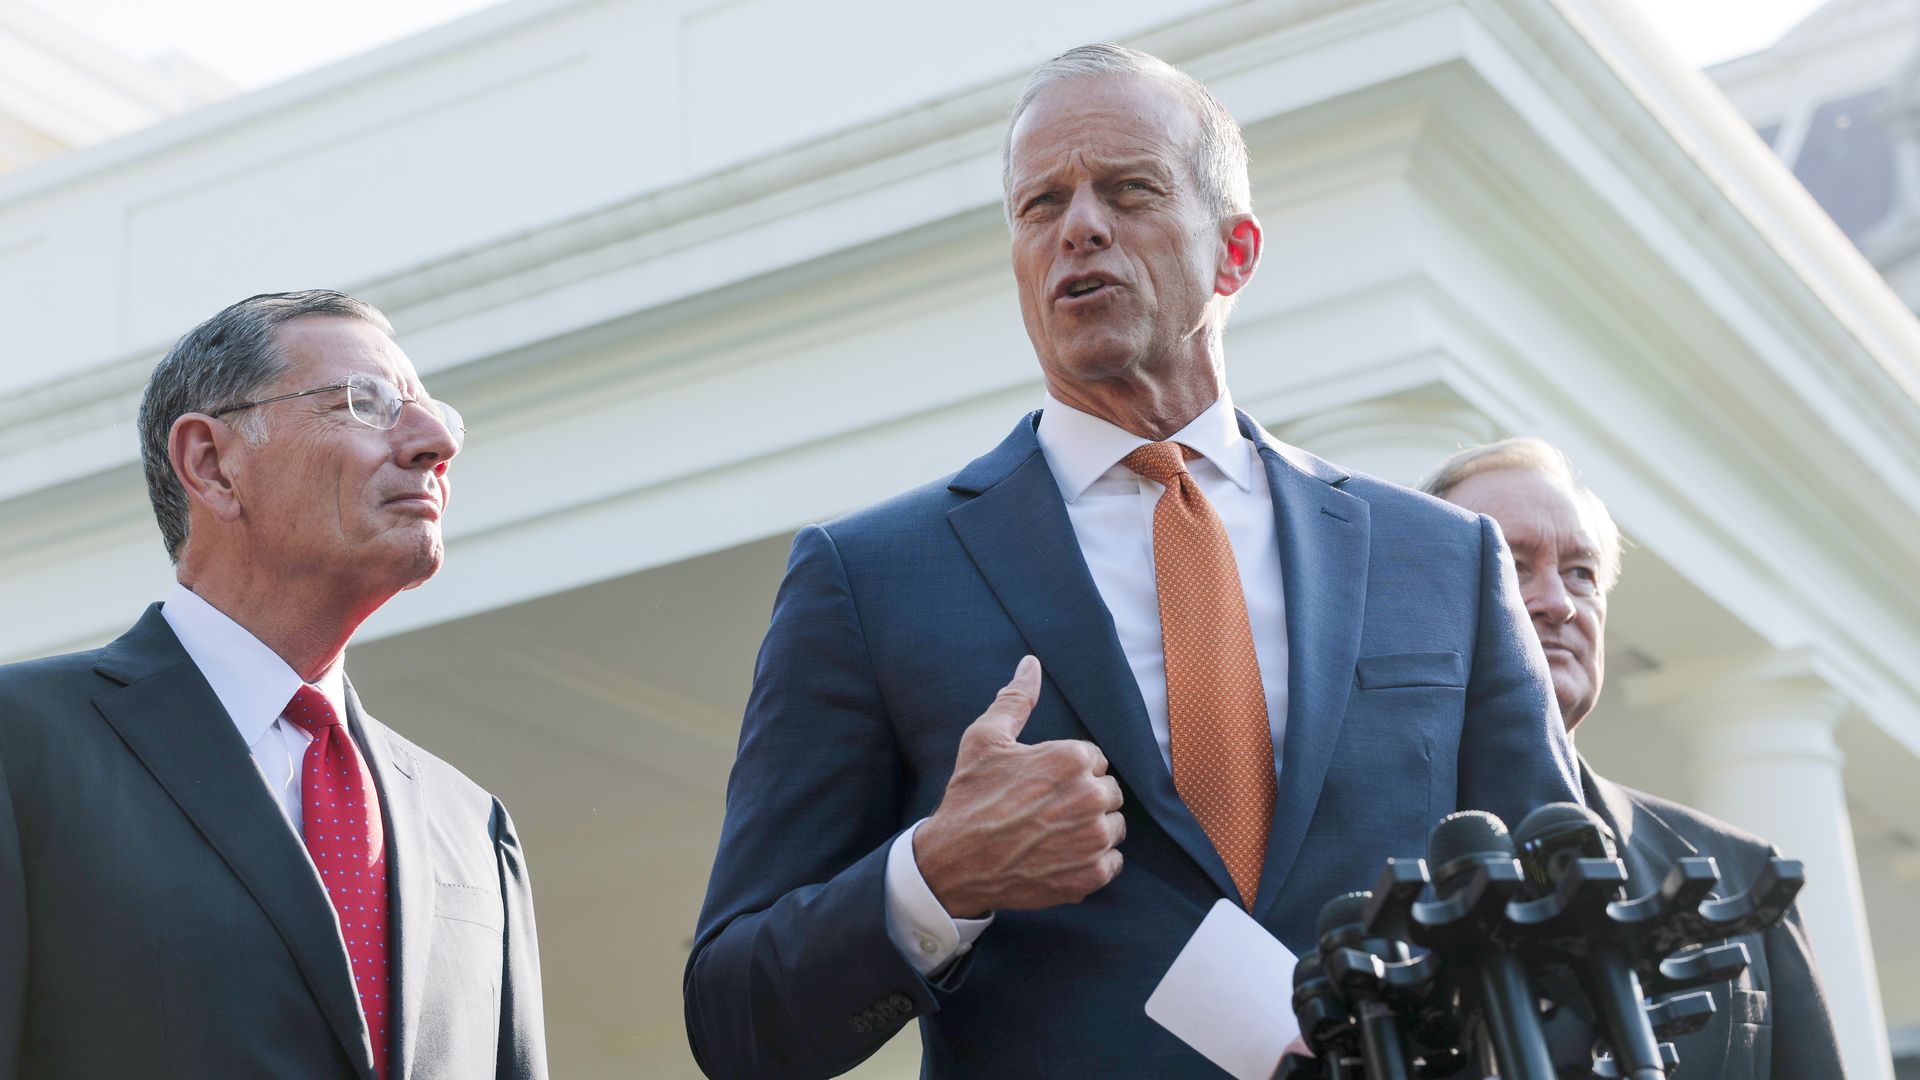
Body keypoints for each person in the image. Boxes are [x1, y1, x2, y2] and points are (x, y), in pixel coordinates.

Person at [685, 44, 1580, 1078]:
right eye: (1041, 204)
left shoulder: (1441, 559)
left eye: (1129, 190)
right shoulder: (869, 577)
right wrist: (940, 874)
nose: (1081, 227)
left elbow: (1569, 926)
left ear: (1235, 252)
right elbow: (736, 1016)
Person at [0, 291, 547, 1079]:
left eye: (435, 415)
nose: (433, 443)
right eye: (367, 404)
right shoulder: (23, 748)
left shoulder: (474, 829)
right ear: (212, 464)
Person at [1424, 436, 1845, 1077]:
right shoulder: (1348, 855)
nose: (1559, 603)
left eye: (1580, 573)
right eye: (1511, 566)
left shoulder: (1739, 874)